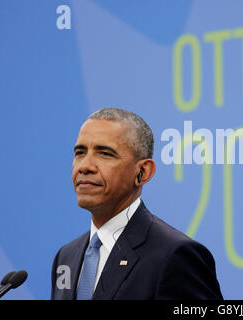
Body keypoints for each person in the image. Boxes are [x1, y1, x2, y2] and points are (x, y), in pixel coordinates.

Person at [51, 107, 223, 300]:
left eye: (105, 153)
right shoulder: (66, 257)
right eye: (80, 153)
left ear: (143, 172)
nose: (85, 166)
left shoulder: (175, 256)